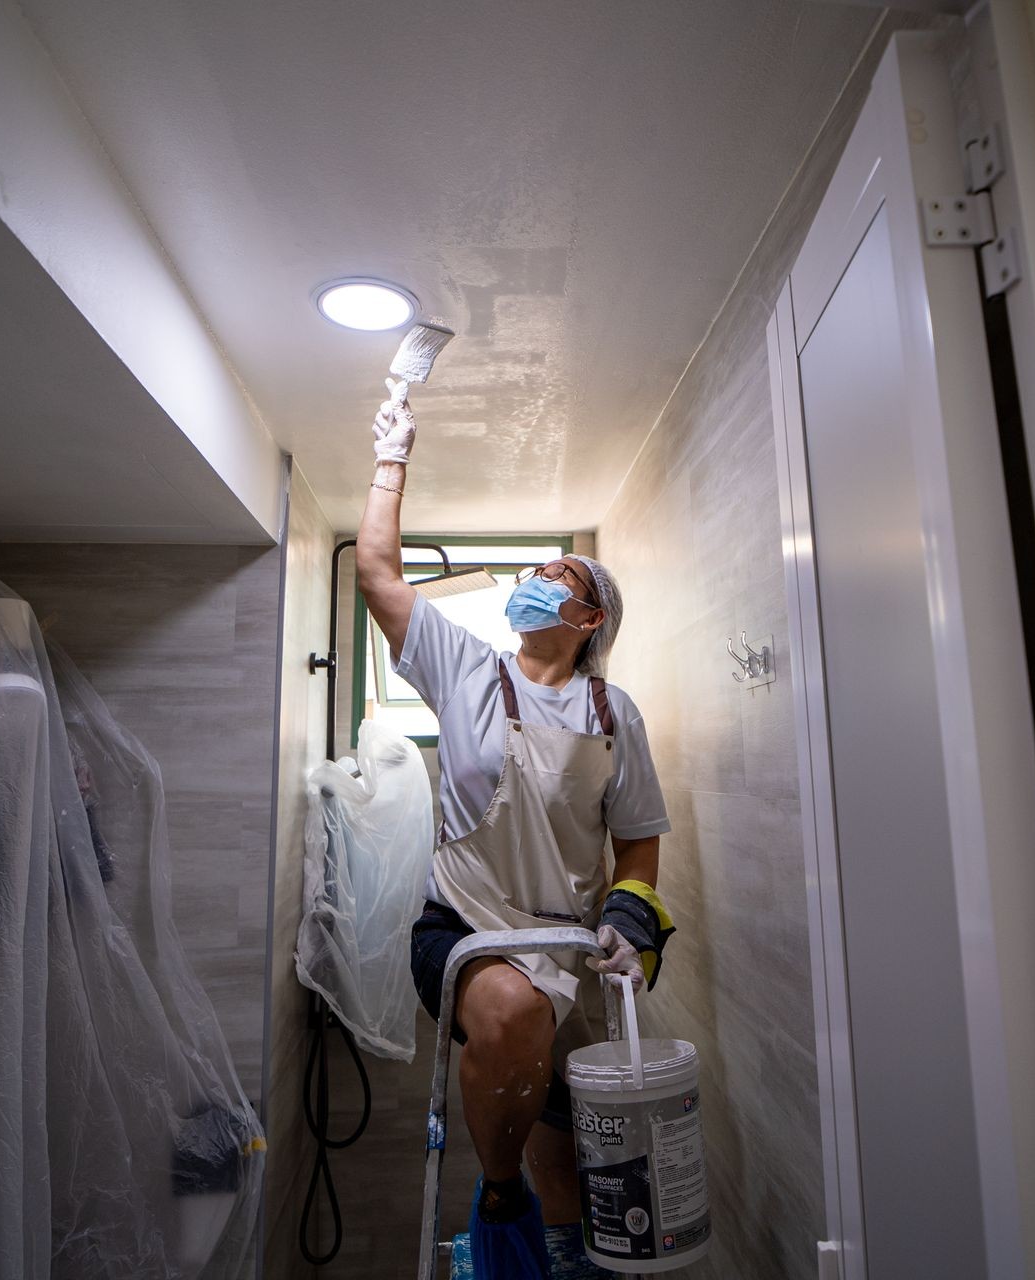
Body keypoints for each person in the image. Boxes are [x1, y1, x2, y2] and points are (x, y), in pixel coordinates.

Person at [355, 379, 677, 1279]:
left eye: (557, 577)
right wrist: (392, 458)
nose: (537, 581)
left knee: (568, 1156)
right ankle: (498, 1202)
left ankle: (552, 1258)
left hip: (570, 946)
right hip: (463, 929)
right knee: (510, 1009)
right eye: (536, 572)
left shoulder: (614, 714)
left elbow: (639, 837)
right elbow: (377, 574)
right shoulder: (463, 667)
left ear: (589, 619)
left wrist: (631, 917)